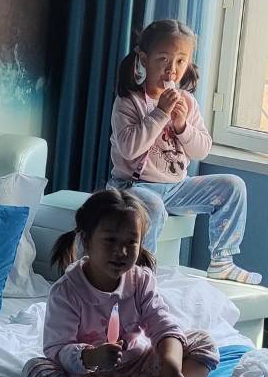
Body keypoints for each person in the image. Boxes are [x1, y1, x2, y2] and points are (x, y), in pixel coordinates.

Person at [22, 189, 219, 377]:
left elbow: (163, 325)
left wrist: (171, 364)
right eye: (110, 240)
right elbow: (57, 349)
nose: (121, 251)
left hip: (137, 370)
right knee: (36, 371)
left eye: (131, 242)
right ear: (86, 241)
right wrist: (92, 357)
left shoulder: (140, 281)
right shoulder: (67, 291)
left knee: (203, 341)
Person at [108, 19, 261, 285]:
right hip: (133, 187)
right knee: (153, 205)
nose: (172, 69)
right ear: (144, 60)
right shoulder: (129, 101)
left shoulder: (187, 102)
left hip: (177, 187)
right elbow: (129, 149)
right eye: (163, 59)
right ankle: (141, 272)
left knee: (233, 185)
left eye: (181, 61)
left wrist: (181, 126)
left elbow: (202, 149)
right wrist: (160, 113)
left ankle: (222, 261)